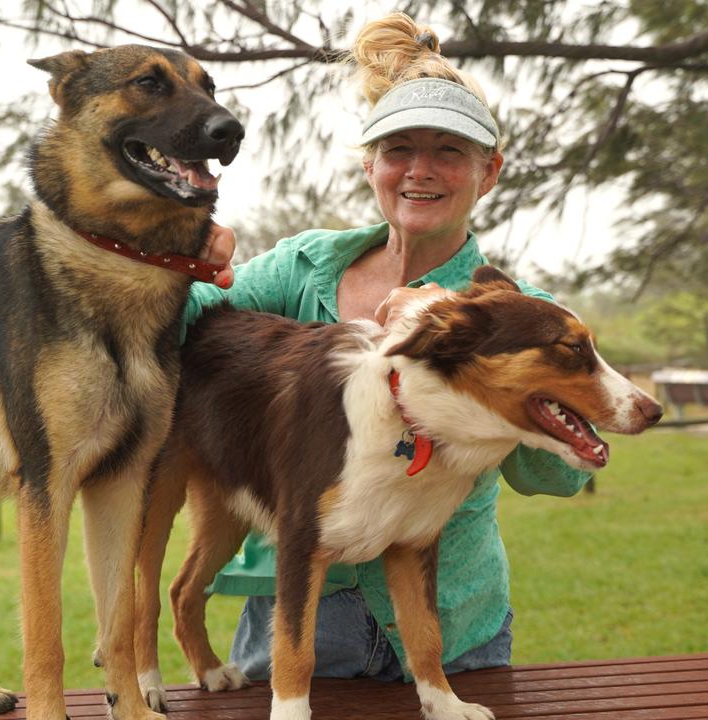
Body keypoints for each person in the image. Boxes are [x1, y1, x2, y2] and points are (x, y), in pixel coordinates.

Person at [182, 12, 591, 683]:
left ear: (489, 172)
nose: (420, 171)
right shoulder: (302, 269)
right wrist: (187, 261)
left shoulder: (520, 317)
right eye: (400, 149)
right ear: (370, 163)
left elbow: (556, 476)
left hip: (451, 630)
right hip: (297, 626)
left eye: (449, 152)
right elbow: (183, 330)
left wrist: (519, 398)